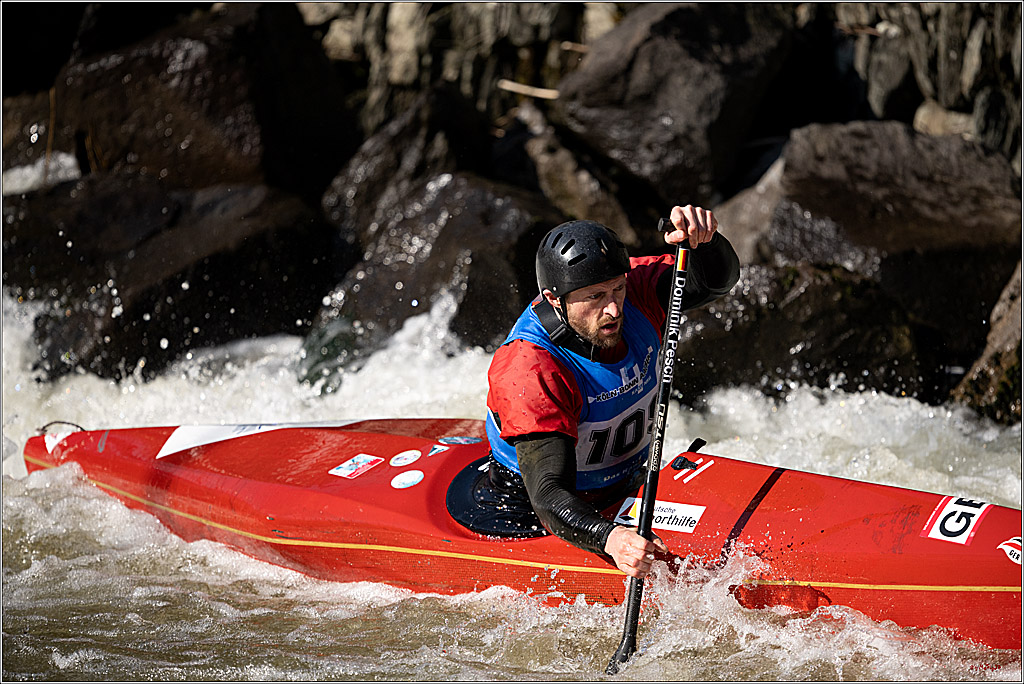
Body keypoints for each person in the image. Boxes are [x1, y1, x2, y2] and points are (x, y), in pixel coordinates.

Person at [484, 205, 740, 579]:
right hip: (538, 510)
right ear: (556, 299)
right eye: (594, 297)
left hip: (627, 487)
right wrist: (610, 539)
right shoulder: (531, 368)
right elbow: (549, 495)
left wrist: (705, 242)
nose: (613, 309)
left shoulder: (633, 290)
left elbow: (715, 281)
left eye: (616, 289)